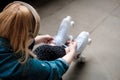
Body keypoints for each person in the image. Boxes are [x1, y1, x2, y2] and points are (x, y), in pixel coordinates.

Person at [0, 1, 77, 80]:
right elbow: (53, 70)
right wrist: (72, 51)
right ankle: (66, 49)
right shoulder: (23, 66)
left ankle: (62, 47)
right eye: (31, 35)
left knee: (44, 49)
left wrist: (37, 40)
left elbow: (14, 42)